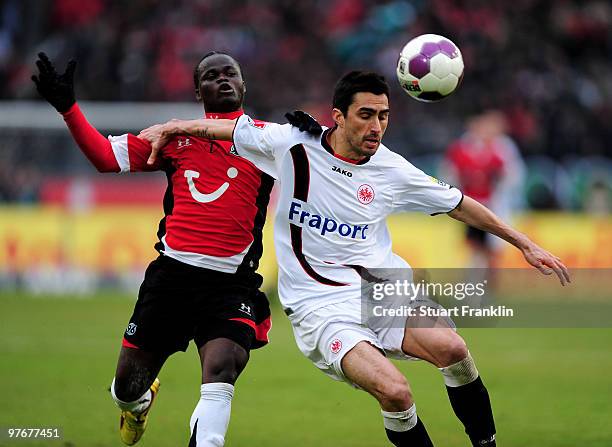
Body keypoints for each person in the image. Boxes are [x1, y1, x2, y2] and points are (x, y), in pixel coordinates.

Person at [140, 71, 570, 447]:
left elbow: (459, 203)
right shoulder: (292, 144)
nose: (377, 126)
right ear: (338, 116)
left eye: (383, 116)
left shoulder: (393, 169)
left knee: (454, 348)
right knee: (396, 392)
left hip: (383, 287)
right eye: (366, 114)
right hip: (319, 306)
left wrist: (524, 243)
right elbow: (226, 131)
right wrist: (175, 126)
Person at [31, 51, 302, 447]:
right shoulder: (172, 139)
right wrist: (69, 109)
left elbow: (328, 160)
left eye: (231, 74)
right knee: (125, 388)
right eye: (211, 75)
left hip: (231, 286)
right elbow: (107, 158)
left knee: (222, 368)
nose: (223, 79)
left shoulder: (267, 141)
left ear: (244, 86)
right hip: (171, 281)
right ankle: (137, 404)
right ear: (197, 90)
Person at [441, 110, 526, 268]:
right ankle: (477, 281)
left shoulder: (502, 148)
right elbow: (449, 172)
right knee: (475, 245)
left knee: (494, 246)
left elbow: (512, 175)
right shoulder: (463, 147)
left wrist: (500, 190)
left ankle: (488, 283)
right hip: (471, 203)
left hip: (494, 204)